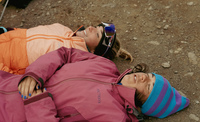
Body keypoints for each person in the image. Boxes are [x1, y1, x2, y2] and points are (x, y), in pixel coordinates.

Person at [0, 47, 189, 122]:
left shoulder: (114, 117)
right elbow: (65, 54)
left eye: (148, 87)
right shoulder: (106, 65)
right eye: (149, 76)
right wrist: (34, 75)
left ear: (144, 104)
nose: (142, 78)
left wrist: (38, 105)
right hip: (6, 80)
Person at [0, 22, 133, 74]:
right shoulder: (62, 28)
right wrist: (8, 31)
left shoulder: (70, 59)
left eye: (97, 34)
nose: (91, 28)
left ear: (94, 51)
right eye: (97, 27)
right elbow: (30, 31)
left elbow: (29, 75)